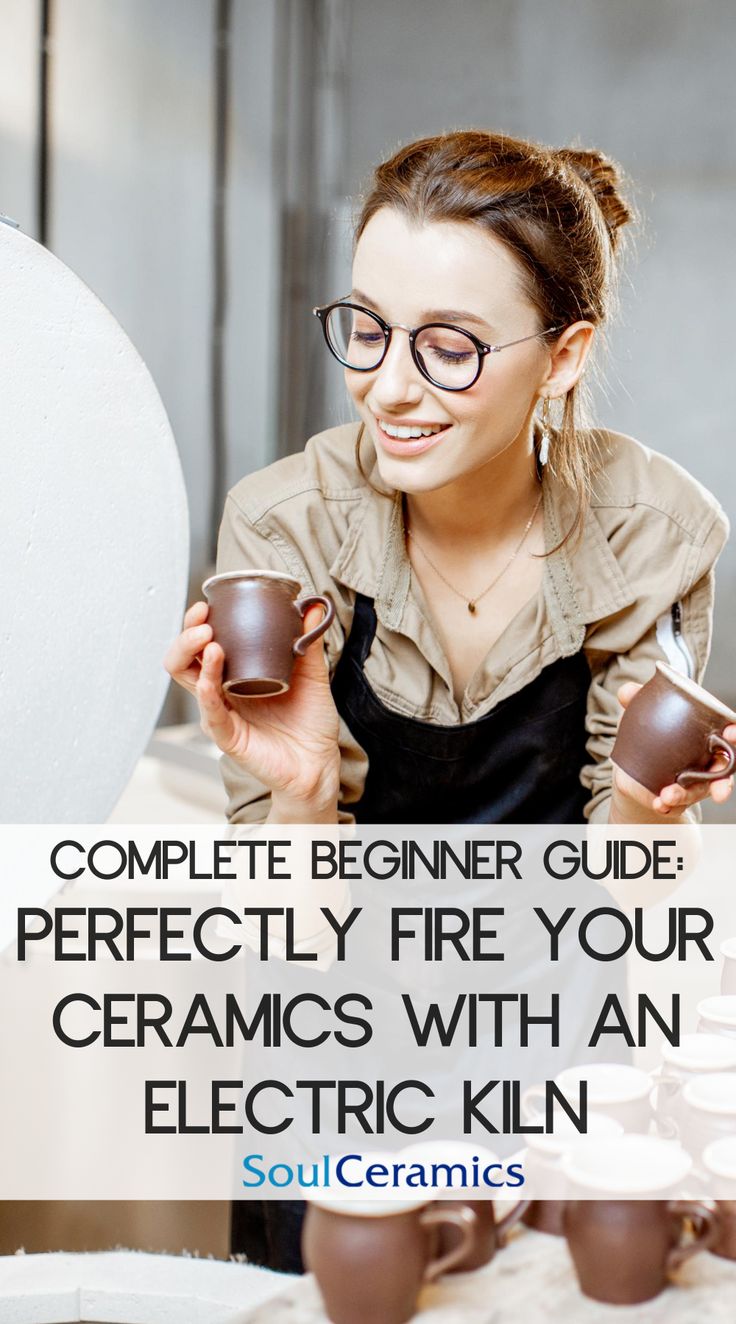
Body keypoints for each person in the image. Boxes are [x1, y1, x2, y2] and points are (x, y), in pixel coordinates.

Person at [165, 130, 734, 1268]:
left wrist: (647, 817)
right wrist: (304, 789)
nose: (387, 385)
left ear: (563, 356)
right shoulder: (287, 526)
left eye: (451, 348)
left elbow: (625, 918)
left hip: (553, 1053)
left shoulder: (651, 531)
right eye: (367, 330)